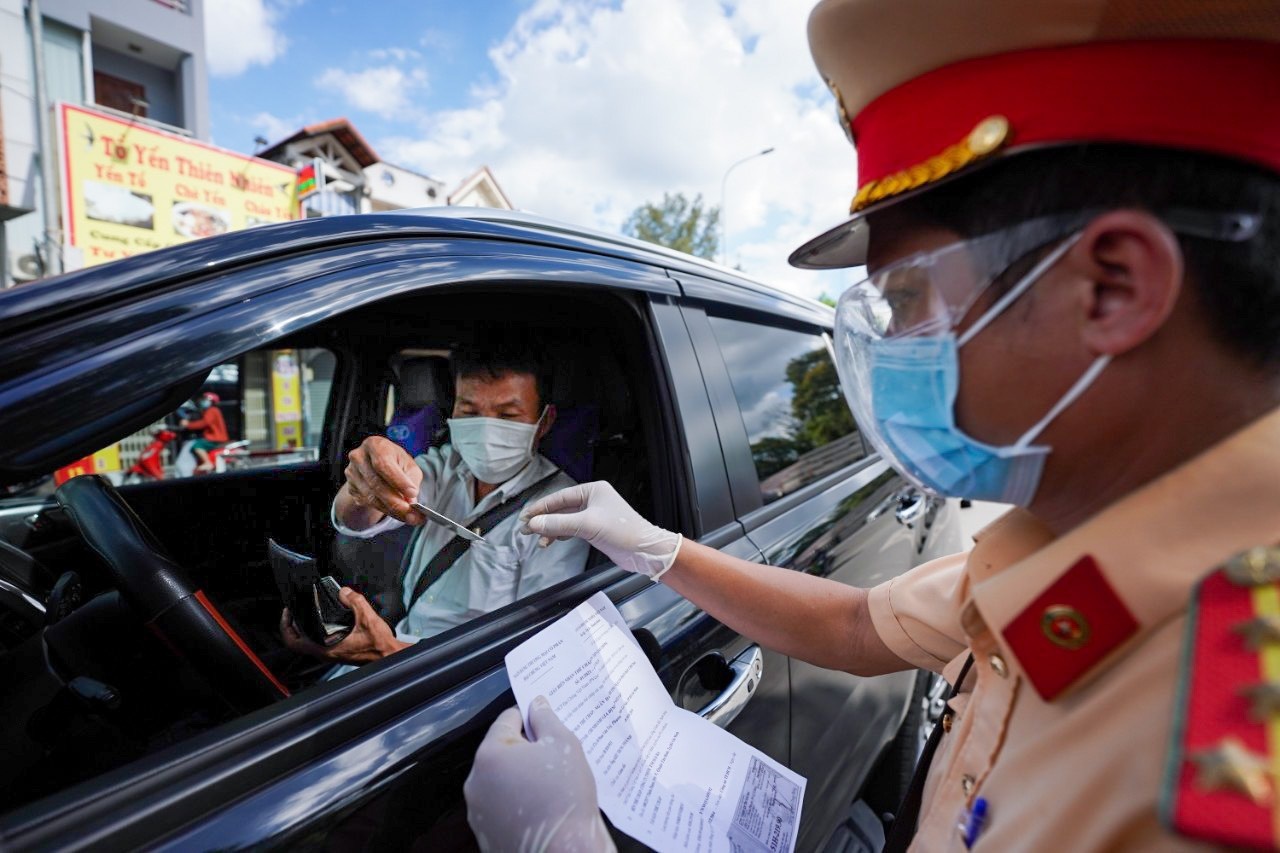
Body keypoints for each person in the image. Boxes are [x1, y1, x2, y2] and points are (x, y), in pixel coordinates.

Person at [463, 1, 1280, 850]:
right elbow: (856, 625)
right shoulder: (1066, 540)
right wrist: (657, 548)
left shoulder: (1228, 766)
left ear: (1111, 288)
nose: (890, 348)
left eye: (909, 300)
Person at [281, 341, 590, 670]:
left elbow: (538, 652)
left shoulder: (563, 509)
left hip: (457, 680)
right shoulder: (446, 466)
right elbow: (362, 518)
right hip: (393, 643)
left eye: (508, 416)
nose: (486, 428)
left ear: (544, 422)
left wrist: (386, 653)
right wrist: (363, 486)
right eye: (470, 413)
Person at [180, 391, 228, 473]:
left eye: (205, 399)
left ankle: (207, 463)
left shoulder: (212, 410)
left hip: (215, 438)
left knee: (197, 445)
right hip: (214, 437)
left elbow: (204, 423)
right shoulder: (210, 410)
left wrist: (188, 425)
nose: (203, 401)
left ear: (211, 401)